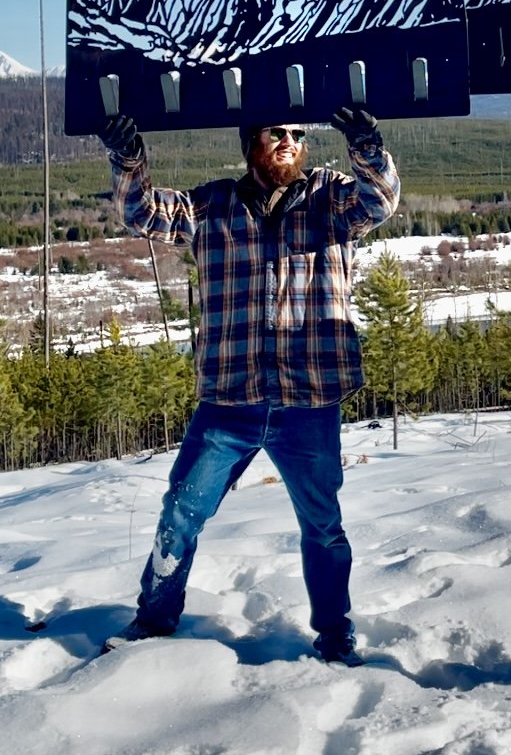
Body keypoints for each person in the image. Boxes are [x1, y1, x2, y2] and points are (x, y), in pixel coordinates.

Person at [98, 105, 400, 665]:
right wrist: (128, 159)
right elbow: (140, 212)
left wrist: (366, 144)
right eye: (276, 134)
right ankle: (154, 618)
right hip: (229, 400)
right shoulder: (210, 204)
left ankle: (335, 635)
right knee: (180, 512)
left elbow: (380, 200)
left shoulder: (331, 198)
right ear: (250, 142)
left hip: (308, 397)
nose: (289, 142)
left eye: (297, 135)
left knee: (322, 527)